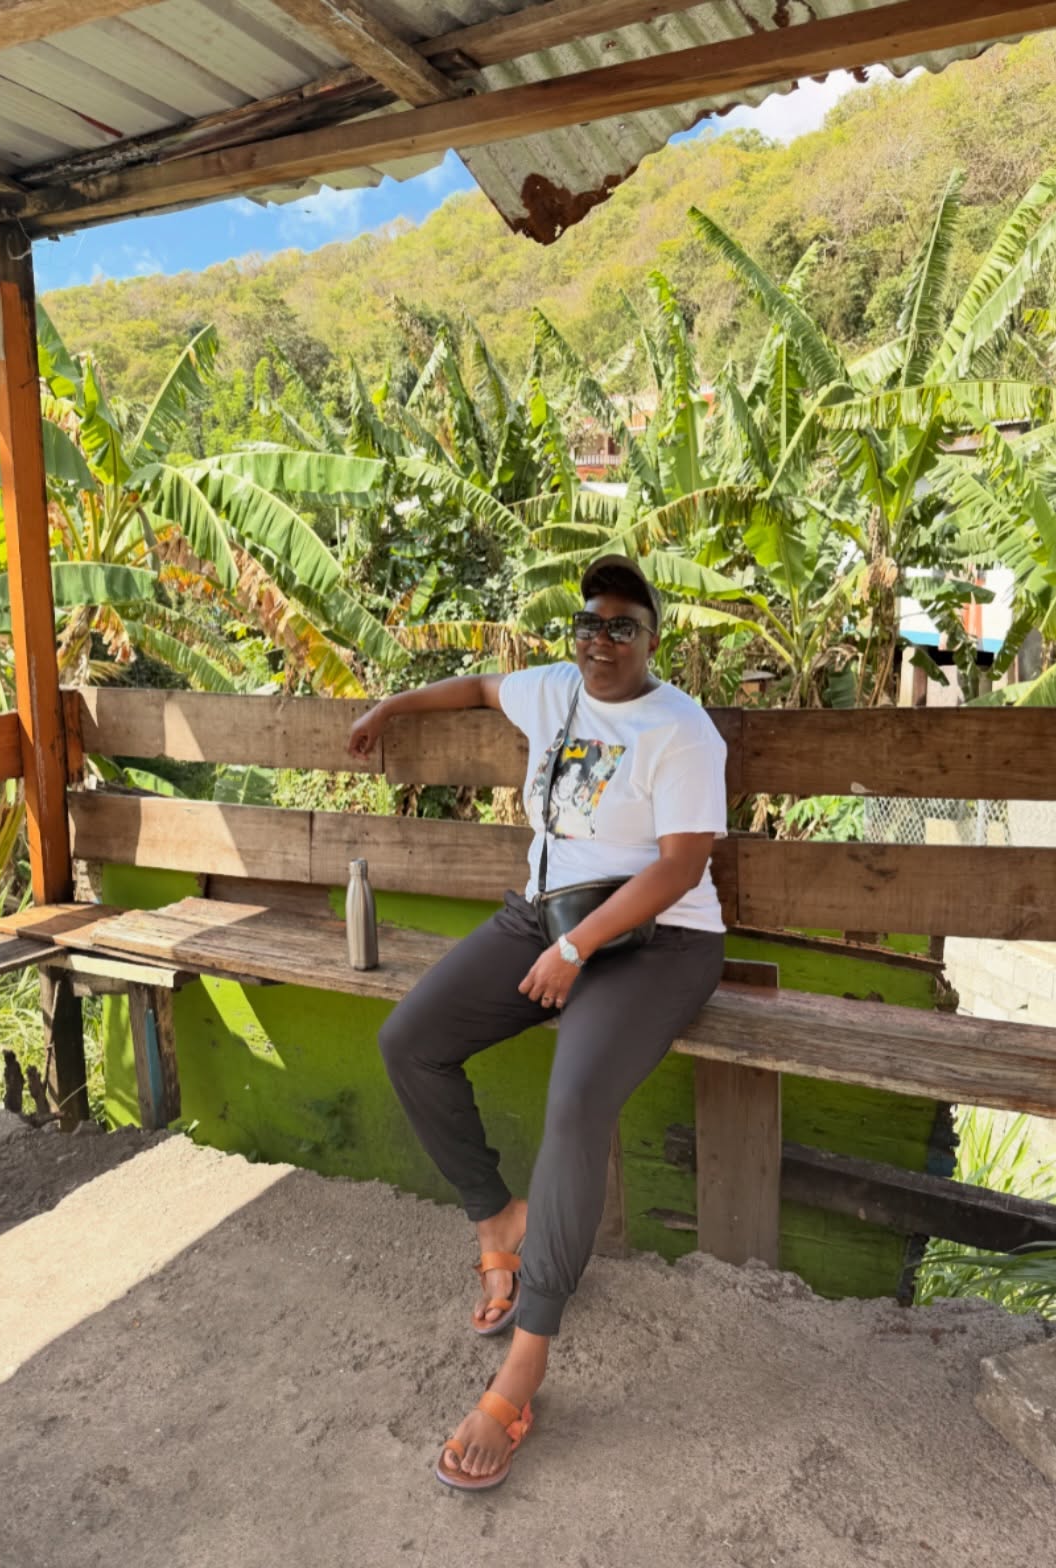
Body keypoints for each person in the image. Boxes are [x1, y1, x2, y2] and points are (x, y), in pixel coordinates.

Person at [347, 554, 727, 1491]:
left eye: (621, 627)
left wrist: (576, 951)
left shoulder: (681, 730)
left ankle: (528, 1356)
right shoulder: (553, 689)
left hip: (655, 940)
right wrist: (393, 707)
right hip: (543, 916)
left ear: (653, 639)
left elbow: (679, 868)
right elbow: (478, 683)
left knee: (574, 1106)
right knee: (412, 1042)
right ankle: (497, 1218)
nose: (600, 642)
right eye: (587, 625)